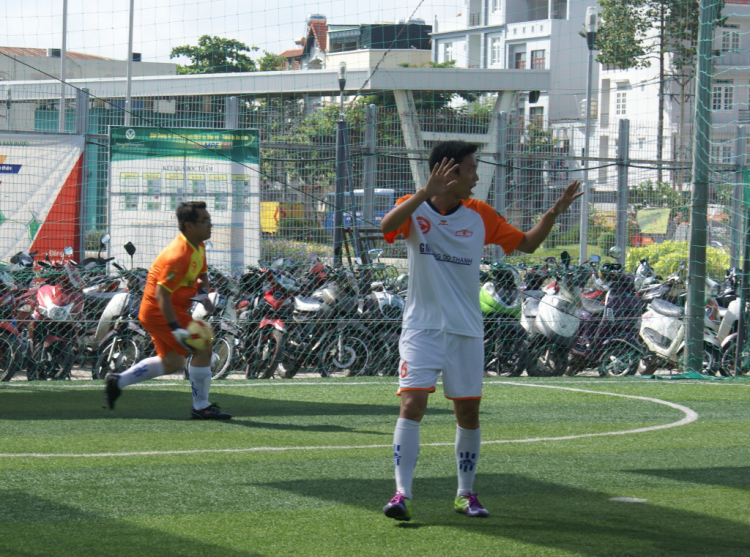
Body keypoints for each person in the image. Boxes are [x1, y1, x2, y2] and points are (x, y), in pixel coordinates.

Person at [380, 140, 582, 521]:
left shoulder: (480, 214)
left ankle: (465, 493)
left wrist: (554, 213)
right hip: (421, 329)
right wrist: (425, 191)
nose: (476, 176)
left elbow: (527, 244)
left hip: (466, 331)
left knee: (468, 413)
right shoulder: (415, 206)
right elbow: (386, 228)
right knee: (411, 404)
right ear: (449, 172)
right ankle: (401, 494)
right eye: (471, 169)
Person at [104, 201, 231, 420]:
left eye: (210, 220)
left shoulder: (197, 245)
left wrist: (203, 290)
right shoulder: (178, 254)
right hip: (161, 311)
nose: (210, 225)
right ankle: (201, 407)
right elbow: (162, 294)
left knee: (173, 362)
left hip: (168, 310)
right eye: (205, 221)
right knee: (204, 345)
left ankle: (118, 381)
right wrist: (175, 328)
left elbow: (202, 273)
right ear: (189, 226)